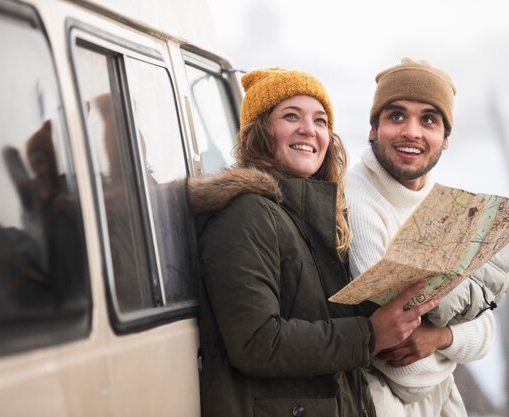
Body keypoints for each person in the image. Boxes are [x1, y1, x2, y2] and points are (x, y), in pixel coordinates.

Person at [188, 67, 439, 417]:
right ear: (260, 130)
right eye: (291, 116)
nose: (309, 130)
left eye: (321, 121)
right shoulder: (246, 213)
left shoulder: (319, 218)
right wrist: (369, 334)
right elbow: (257, 342)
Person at [346, 58, 509, 416]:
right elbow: (405, 367)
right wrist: (454, 340)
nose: (412, 131)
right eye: (396, 116)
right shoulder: (356, 197)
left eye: (428, 119)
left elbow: (486, 327)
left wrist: (441, 337)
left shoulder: (444, 205)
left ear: (445, 140)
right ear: (372, 129)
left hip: (443, 401)